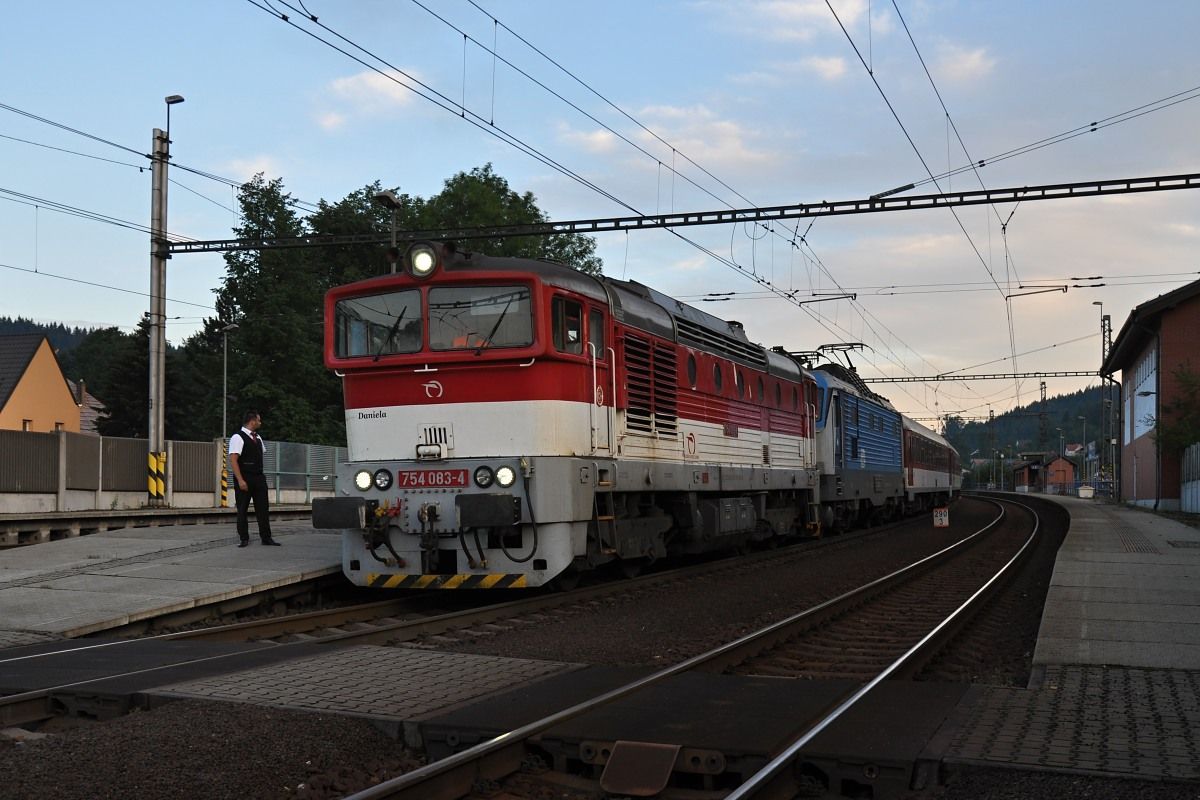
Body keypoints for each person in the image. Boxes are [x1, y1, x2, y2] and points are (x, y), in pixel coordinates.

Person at [229, 410, 280, 546]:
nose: (260, 422)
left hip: (258, 477)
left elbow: (259, 454)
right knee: (242, 509)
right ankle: (244, 538)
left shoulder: (257, 437)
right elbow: (233, 460)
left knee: (263, 508)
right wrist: (240, 480)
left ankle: (266, 537)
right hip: (244, 477)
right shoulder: (237, 437)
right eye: (259, 420)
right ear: (252, 421)